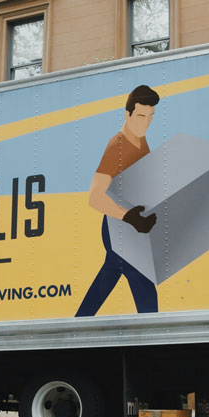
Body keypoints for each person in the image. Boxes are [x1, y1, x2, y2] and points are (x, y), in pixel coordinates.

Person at [76, 85, 161, 317]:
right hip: (119, 228)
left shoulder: (140, 140)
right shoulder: (118, 147)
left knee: (110, 273)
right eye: (141, 116)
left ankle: (79, 322)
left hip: (132, 225)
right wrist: (128, 217)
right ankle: (155, 334)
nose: (146, 123)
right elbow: (94, 196)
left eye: (150, 116)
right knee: (141, 278)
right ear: (128, 114)